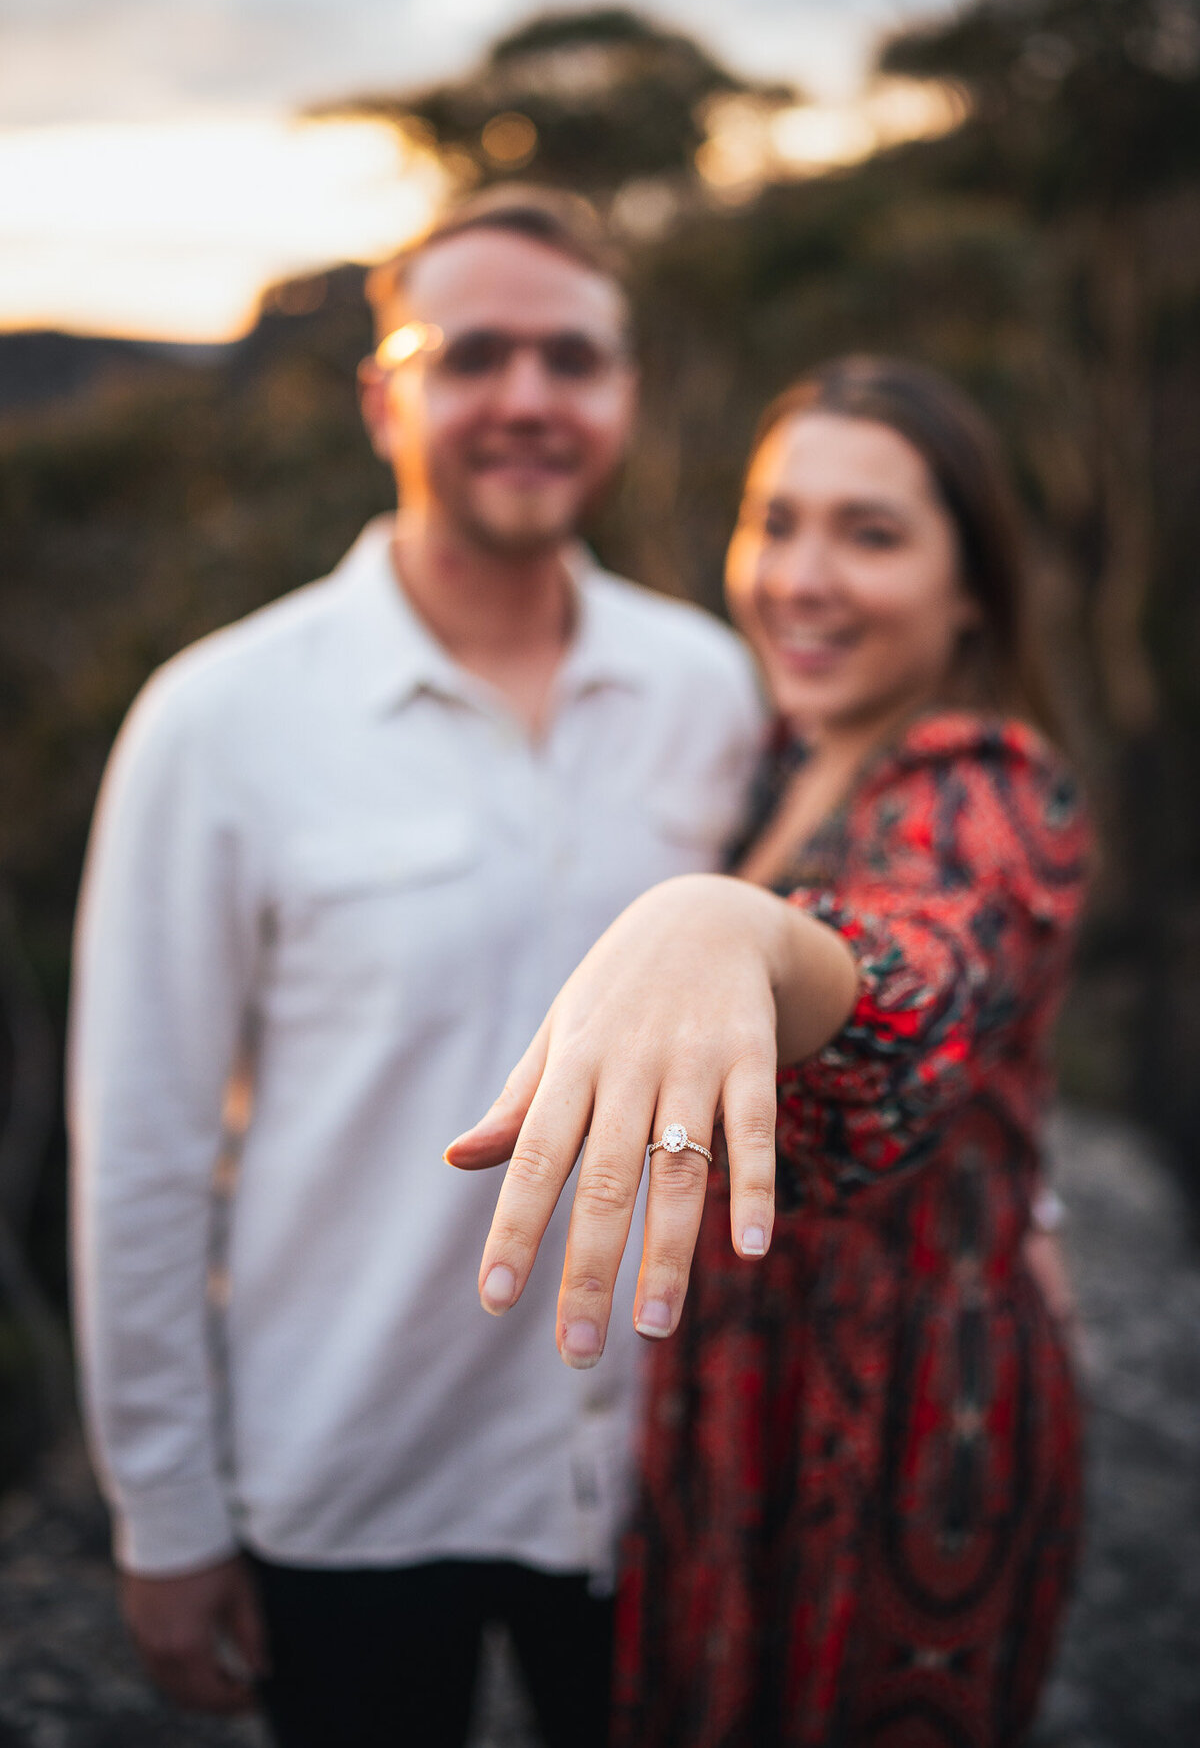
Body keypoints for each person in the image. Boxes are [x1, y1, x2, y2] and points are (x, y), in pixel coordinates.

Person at [69, 188, 764, 1748]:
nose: (527, 397)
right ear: (386, 395)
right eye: (474, 355)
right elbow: (146, 1155)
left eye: (571, 359)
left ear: (625, 395)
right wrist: (166, 1514)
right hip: (353, 1478)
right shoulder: (219, 721)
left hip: (656, 1478)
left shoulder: (707, 686)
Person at [448, 356, 1089, 1747]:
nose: (802, 577)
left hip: (914, 1429)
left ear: (970, 586)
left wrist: (723, 926)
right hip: (741, 1404)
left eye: (870, 534)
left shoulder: (988, 788)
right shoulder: (773, 758)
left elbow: (929, 961)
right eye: (776, 520)